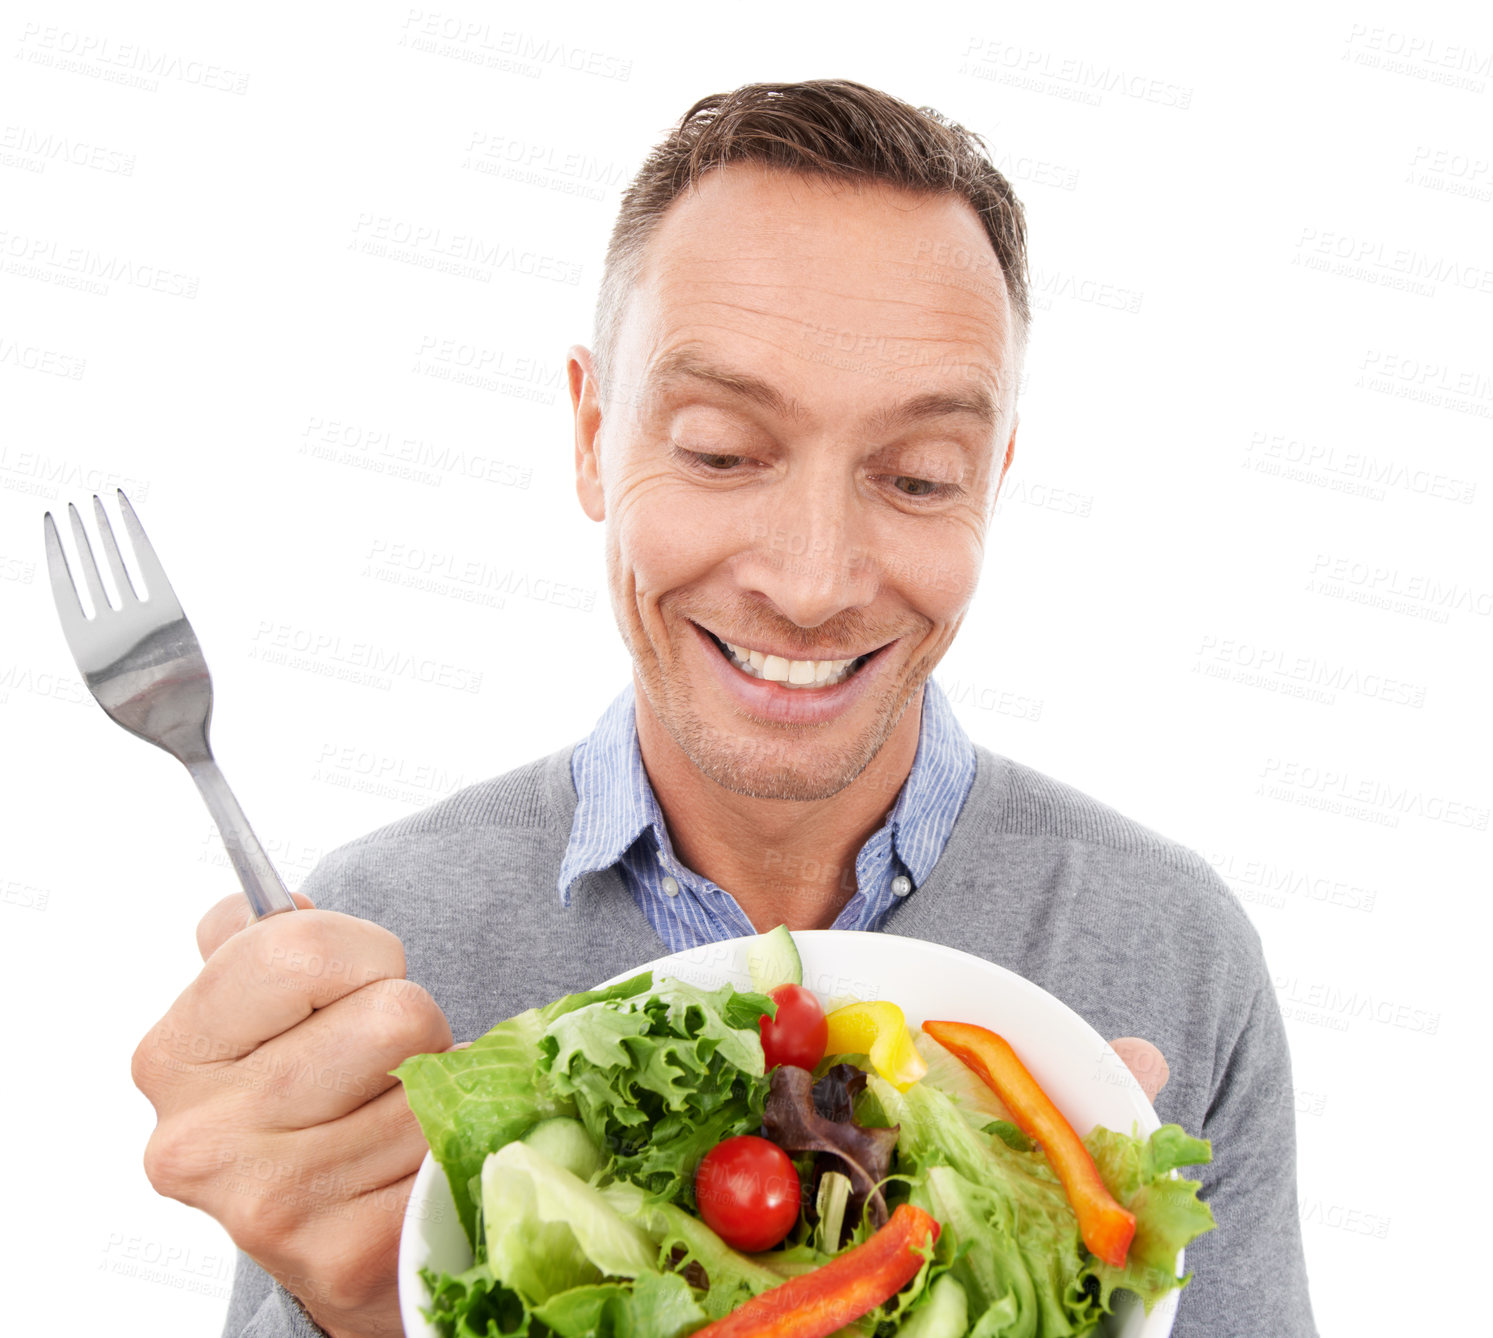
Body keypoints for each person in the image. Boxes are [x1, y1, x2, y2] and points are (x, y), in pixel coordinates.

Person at [132, 80, 1316, 1338]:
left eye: (918, 478)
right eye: (717, 450)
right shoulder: (383, 946)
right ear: (591, 436)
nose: (811, 583)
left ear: (993, 482)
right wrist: (359, 1313)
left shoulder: (1171, 948)